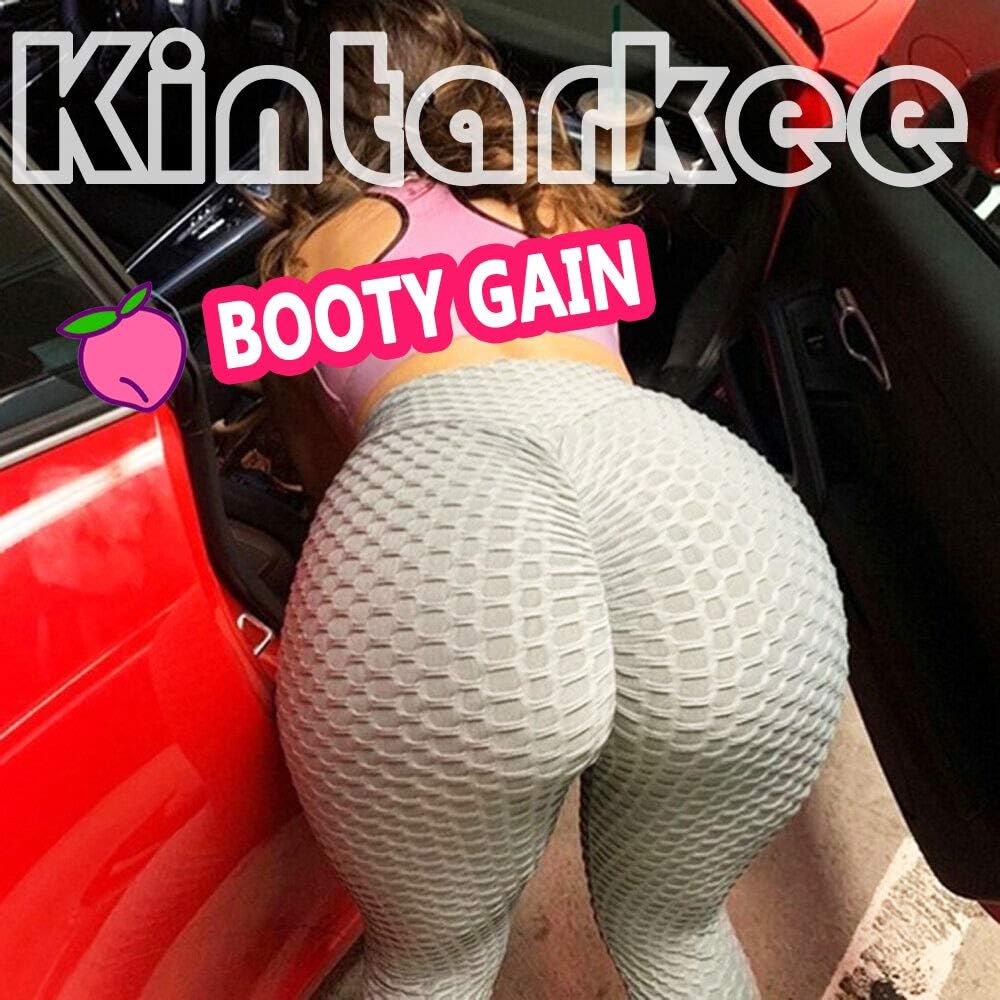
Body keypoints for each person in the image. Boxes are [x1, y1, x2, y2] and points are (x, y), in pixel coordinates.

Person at [262, 2, 849, 997]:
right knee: (676, 934)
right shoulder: (558, 197)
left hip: (448, 519)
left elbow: (324, 479)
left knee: (429, 963)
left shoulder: (307, 259)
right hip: (706, 520)